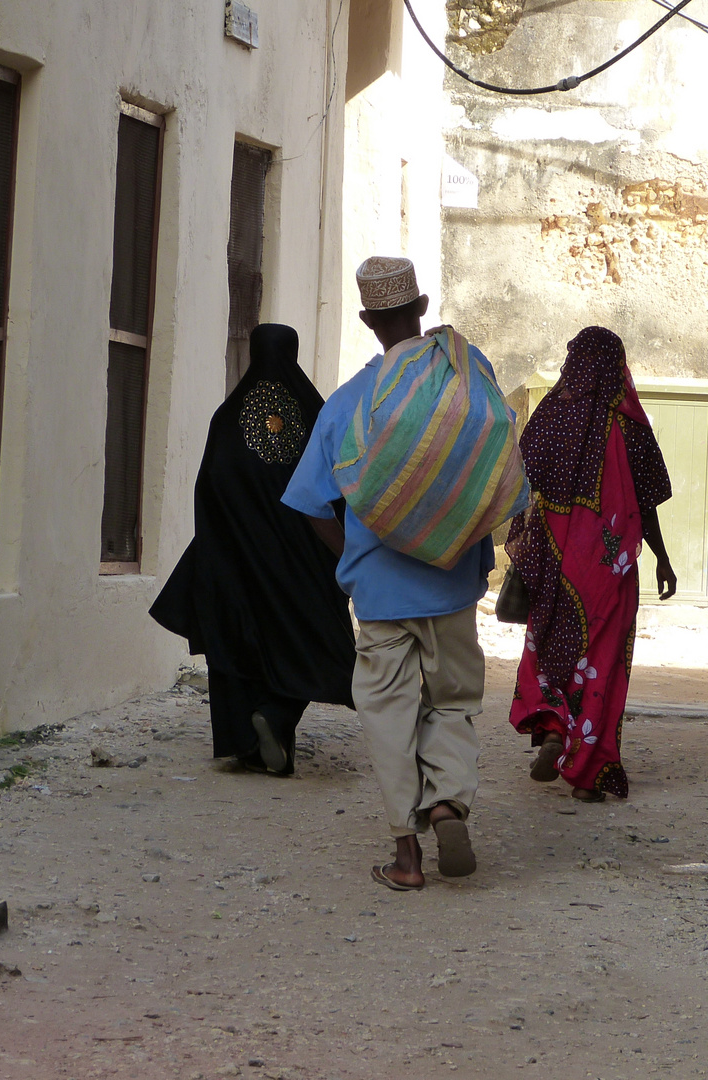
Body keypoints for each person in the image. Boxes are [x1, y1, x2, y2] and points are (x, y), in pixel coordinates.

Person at [283, 256, 520, 891]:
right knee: (452, 702)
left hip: (380, 595)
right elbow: (497, 459)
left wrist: (354, 556)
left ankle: (407, 857)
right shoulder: (467, 374)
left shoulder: (346, 404)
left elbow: (307, 503)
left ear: (367, 320)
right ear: (420, 307)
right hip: (451, 584)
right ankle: (447, 800)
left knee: (388, 713)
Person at [150, 323, 355, 776]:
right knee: (309, 636)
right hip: (299, 561)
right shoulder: (316, 413)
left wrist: (220, 546)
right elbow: (340, 483)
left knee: (237, 641)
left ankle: (243, 742)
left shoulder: (226, 418)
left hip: (236, 558)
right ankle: (278, 718)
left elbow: (209, 487)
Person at [505, 326, 676, 802]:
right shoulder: (629, 427)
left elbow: (518, 486)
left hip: (556, 564)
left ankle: (555, 727)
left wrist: (528, 551)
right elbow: (648, 503)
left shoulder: (549, 414)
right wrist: (662, 558)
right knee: (601, 662)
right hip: (610, 569)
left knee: (550, 648)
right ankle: (589, 772)